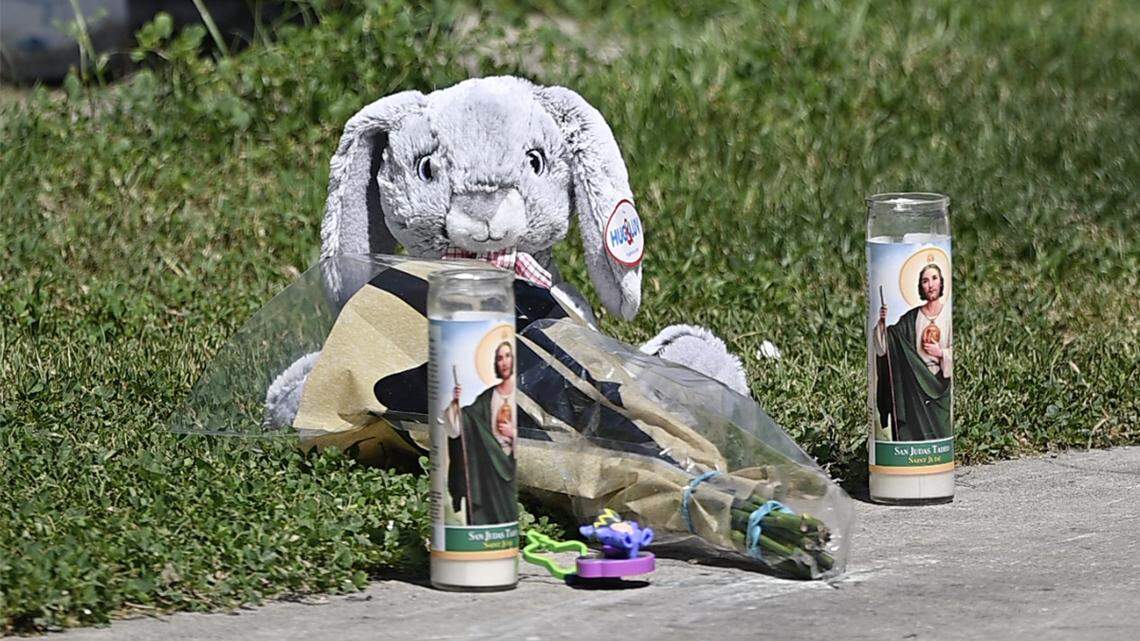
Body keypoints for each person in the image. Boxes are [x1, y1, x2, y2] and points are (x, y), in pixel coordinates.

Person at [874, 264, 952, 441]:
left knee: (941, 435)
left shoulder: (948, 316)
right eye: (925, 281)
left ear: (941, 282)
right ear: (921, 286)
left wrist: (941, 353)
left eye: (934, 278)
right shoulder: (911, 318)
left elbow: (955, 351)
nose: (930, 285)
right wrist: (882, 322)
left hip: (939, 386)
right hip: (913, 388)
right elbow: (888, 344)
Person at [444, 342, 518, 525]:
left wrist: (513, 433)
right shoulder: (487, 397)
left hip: (509, 469)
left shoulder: (523, 395)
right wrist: (455, 403)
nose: (504, 362)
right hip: (486, 470)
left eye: (508, 356)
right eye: (500, 358)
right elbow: (461, 426)